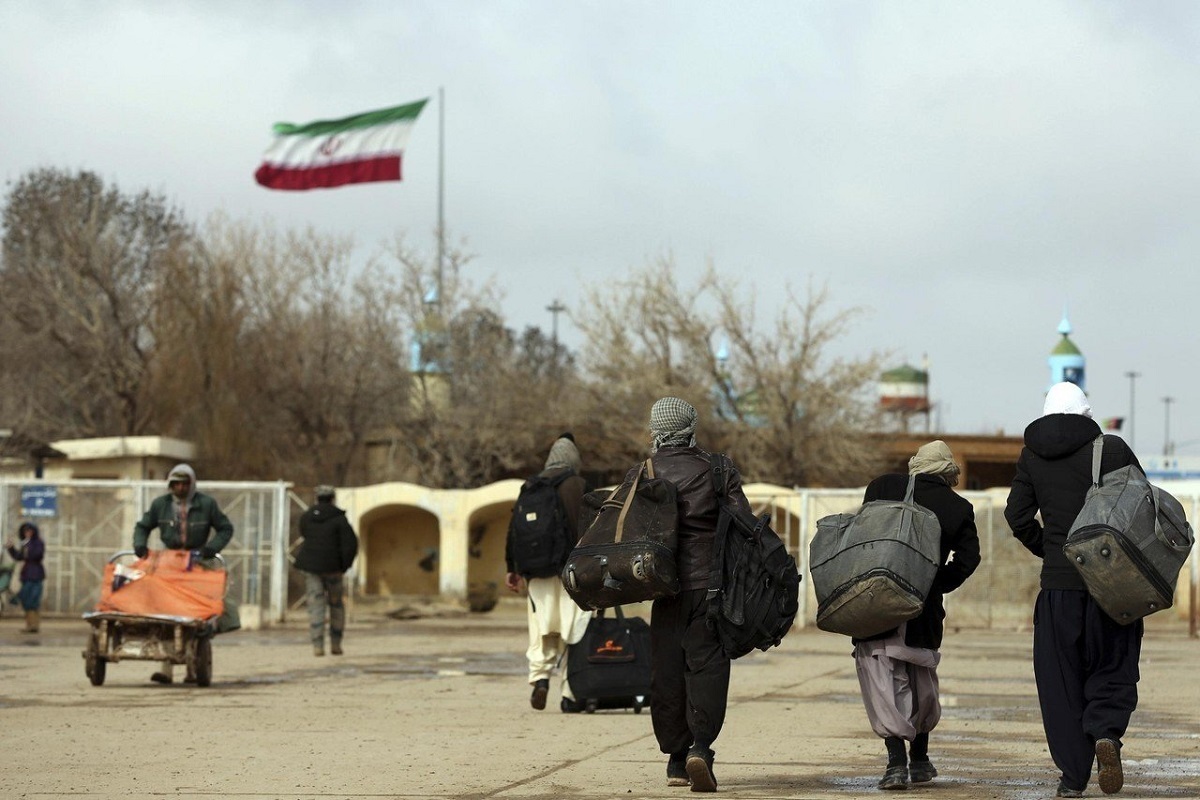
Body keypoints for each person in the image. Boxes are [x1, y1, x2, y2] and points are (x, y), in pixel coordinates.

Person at [1005, 382, 1142, 798]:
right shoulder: (1111, 449)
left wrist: (1051, 549)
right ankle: (1105, 732)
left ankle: (1072, 776)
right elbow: (1141, 503)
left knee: (1060, 679)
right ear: (1086, 413)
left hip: (1059, 586)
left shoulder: (1031, 455)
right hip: (1113, 585)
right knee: (1113, 664)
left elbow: (1017, 515)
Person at [853, 440, 981, 790]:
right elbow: (969, 559)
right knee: (921, 679)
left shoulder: (882, 487)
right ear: (946, 473)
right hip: (923, 612)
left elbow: (861, 537)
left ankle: (896, 762)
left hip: (875, 605)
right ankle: (920, 760)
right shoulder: (958, 506)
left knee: (882, 680)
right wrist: (934, 583)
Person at [639, 397, 751, 792]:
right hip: (711, 586)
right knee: (707, 667)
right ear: (691, 426)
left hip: (664, 589)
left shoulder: (645, 472)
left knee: (667, 670)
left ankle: (674, 759)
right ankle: (700, 747)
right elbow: (744, 523)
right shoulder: (718, 469)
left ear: (656, 428)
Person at [505, 434, 591, 712]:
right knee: (573, 632)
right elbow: (590, 530)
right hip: (573, 575)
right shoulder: (578, 485)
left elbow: (513, 532)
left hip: (537, 575)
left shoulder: (530, 487)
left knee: (542, 629)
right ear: (573, 459)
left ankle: (540, 679)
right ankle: (570, 693)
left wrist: (512, 570)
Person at [132, 463, 239, 683]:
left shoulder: (206, 504)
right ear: (170, 484)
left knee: (200, 614)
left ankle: (193, 667)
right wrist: (140, 545)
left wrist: (212, 548)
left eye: (184, 483)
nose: (180, 487)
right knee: (165, 612)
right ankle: (166, 669)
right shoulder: (160, 505)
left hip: (197, 562)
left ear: (191, 484)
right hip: (169, 563)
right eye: (176, 483)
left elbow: (225, 528)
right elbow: (142, 526)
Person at [295, 485, 359, 656]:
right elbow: (350, 544)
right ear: (333, 498)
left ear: (317, 498)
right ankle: (336, 644)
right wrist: (344, 565)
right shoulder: (340, 519)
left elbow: (304, 534)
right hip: (333, 569)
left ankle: (318, 645)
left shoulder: (307, 517)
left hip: (311, 568)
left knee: (316, 605)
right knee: (336, 605)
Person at [6, 521, 46, 634]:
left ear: (33, 531)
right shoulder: (26, 543)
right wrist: (11, 548)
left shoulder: (38, 542)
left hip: (36, 574)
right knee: (26, 600)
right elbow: (19, 557)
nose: (27, 533)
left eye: (29, 531)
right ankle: (30, 625)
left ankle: (34, 625)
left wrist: (27, 545)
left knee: (34, 600)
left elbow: (37, 555)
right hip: (27, 575)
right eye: (25, 531)